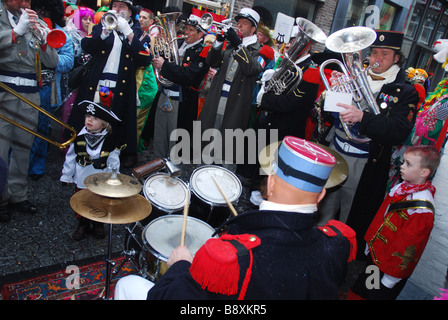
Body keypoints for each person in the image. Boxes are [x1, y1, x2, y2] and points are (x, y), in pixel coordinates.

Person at [115, 136, 356, 300]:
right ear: (321, 195)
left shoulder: (231, 257)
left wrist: (180, 267)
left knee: (127, 286)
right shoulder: (337, 243)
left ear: (270, 183)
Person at [316, 31, 419, 242]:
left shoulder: (405, 91)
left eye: (384, 54)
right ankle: (316, 243)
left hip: (363, 162)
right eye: (374, 53)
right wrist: (332, 95)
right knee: (324, 205)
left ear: (396, 58)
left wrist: (363, 117)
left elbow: (398, 130)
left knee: (349, 214)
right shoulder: (354, 78)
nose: (377, 59)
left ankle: (341, 252)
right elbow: (330, 117)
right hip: (336, 149)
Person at [66, 0, 152, 168]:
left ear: (129, 11)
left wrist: (129, 33)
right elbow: (87, 46)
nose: (117, 10)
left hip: (120, 88)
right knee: (91, 119)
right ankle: (84, 157)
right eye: (115, 7)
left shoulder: (138, 32)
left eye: (122, 7)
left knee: (113, 124)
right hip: (98, 85)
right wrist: (104, 32)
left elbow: (145, 58)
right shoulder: (101, 25)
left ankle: (109, 161)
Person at [348, 145, 440, 300]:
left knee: (376, 295)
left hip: (390, 272)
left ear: (424, 172)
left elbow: (409, 247)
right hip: (377, 257)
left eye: (408, 164)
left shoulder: (422, 210)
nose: (402, 166)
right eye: (403, 161)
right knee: (364, 289)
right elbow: (381, 217)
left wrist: (391, 278)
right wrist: (370, 244)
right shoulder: (401, 187)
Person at [0, 0, 59, 222]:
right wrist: (15, 32)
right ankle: (1, 199)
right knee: (0, 150)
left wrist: (45, 42)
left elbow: (52, 62)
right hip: (3, 92)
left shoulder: (37, 22)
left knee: (24, 148)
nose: (25, 3)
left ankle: (18, 195)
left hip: (29, 94)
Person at [198, 8, 270, 168]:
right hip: (216, 99)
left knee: (227, 149)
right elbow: (211, 61)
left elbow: (253, 69)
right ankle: (200, 180)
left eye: (245, 23)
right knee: (207, 141)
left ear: (253, 29)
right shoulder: (230, 45)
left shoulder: (261, 51)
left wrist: (238, 44)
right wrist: (218, 41)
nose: (240, 26)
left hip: (236, 105)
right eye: (239, 23)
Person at [60, 91, 125, 240]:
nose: (90, 120)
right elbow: (70, 157)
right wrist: (66, 176)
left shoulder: (110, 140)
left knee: (100, 202)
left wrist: (114, 178)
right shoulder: (78, 137)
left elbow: (114, 161)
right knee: (82, 202)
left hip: (101, 181)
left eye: (95, 118)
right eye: (88, 116)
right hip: (82, 178)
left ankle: (98, 224)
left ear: (104, 123)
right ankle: (82, 224)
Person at [151, 13, 209, 159]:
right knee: (160, 132)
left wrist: (165, 65)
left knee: (175, 136)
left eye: (191, 30)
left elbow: (190, 76)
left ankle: (173, 166)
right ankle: (158, 161)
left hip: (183, 100)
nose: (186, 33)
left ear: (201, 33)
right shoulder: (177, 44)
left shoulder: (202, 51)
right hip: (165, 93)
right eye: (186, 29)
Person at [28, 0, 74, 180]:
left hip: (47, 87)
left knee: (41, 127)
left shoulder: (61, 34)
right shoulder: (24, 28)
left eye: (44, 10)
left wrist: (51, 57)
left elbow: (68, 62)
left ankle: (36, 168)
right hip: (24, 84)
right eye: (37, 9)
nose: (40, 13)